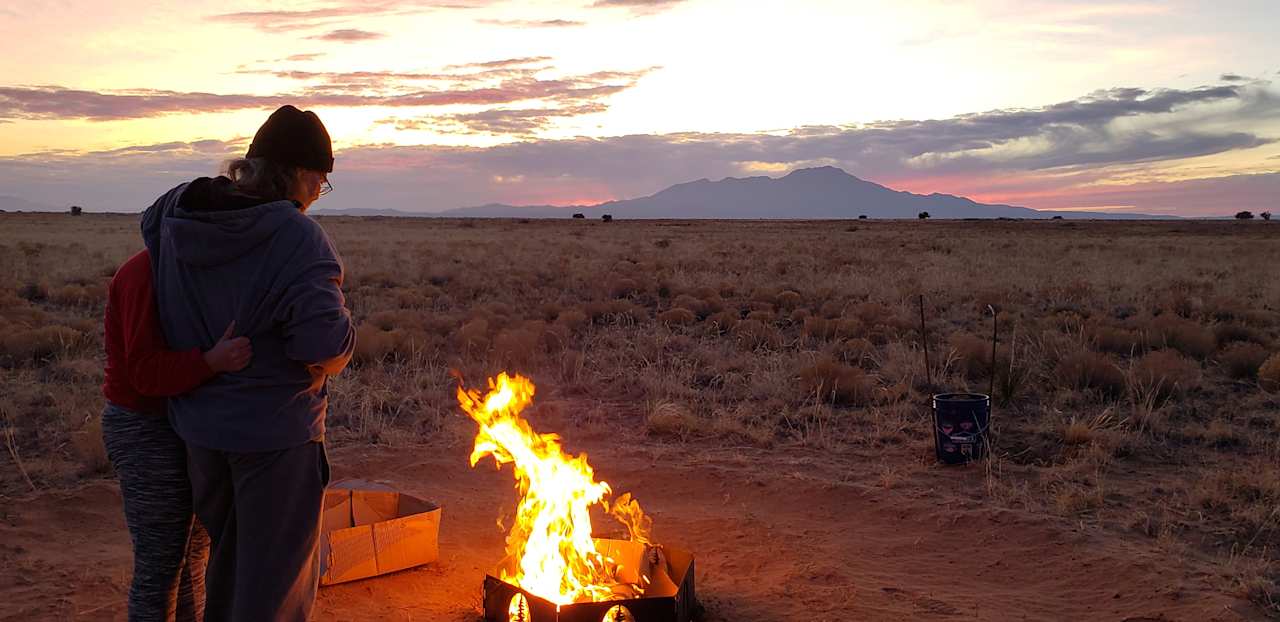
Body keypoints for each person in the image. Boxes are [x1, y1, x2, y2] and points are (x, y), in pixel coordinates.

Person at [139, 105, 355, 622]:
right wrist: (346, 330)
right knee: (273, 590)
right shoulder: (298, 238)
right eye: (320, 181)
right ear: (300, 173)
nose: (315, 194)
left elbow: (150, 243)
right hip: (275, 436)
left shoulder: (176, 211)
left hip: (201, 431)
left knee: (230, 568)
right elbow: (321, 345)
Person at [102, 248, 252, 622]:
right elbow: (143, 372)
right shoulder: (143, 274)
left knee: (192, 560)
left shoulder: (197, 270)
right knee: (161, 565)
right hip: (143, 423)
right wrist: (210, 362)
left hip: (193, 423)